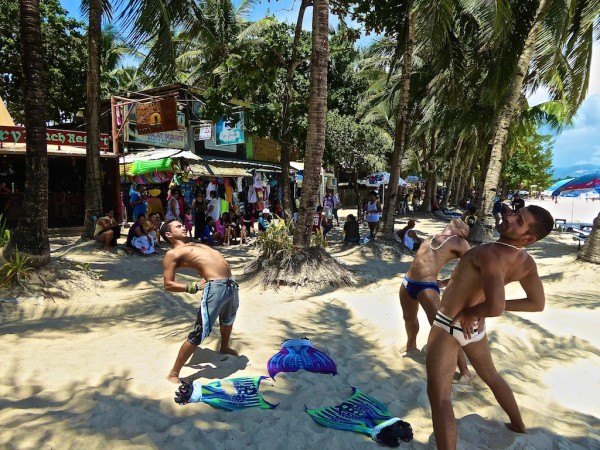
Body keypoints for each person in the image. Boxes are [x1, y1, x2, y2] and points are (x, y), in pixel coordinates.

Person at [426, 205, 555, 450]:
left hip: (449, 324)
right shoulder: (526, 262)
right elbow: (536, 304)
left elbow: (496, 306)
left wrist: (474, 311)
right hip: (473, 329)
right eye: (515, 213)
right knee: (492, 377)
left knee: (440, 396)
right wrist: (478, 310)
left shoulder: (489, 252)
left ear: (528, 238)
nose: (509, 217)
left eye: (519, 220)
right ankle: (518, 425)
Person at [160, 219, 240, 384]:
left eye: (182, 225)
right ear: (168, 234)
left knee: (228, 320)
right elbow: (168, 284)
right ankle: (174, 373)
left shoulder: (194, 244)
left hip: (230, 284)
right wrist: (194, 286)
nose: (183, 227)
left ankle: (224, 347)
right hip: (215, 287)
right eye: (178, 226)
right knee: (200, 331)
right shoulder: (172, 254)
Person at [399, 219, 472, 382]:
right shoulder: (433, 237)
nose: (461, 219)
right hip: (407, 282)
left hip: (426, 286)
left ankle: (465, 371)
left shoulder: (460, 243)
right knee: (409, 319)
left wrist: (446, 282)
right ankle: (411, 344)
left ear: (463, 232)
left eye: (464, 224)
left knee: (444, 329)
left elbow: (470, 268)